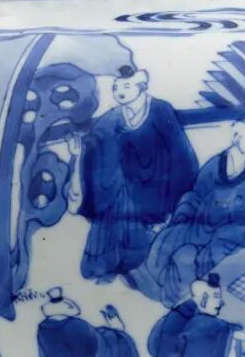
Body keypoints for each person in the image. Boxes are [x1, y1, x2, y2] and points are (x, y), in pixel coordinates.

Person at [72, 65, 198, 283]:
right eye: (116, 87)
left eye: (126, 86)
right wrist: (81, 150)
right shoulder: (112, 117)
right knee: (111, 221)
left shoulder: (160, 110)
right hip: (119, 189)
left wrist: (175, 198)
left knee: (141, 242)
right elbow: (94, 143)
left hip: (153, 188)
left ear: (141, 86)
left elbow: (181, 154)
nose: (119, 92)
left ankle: (136, 273)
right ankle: (106, 270)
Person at [141, 117, 245, 305]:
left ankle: (175, 299)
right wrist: (182, 220)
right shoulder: (215, 164)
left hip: (227, 238)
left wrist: (224, 236)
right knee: (166, 241)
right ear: (236, 138)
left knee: (188, 258)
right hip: (199, 225)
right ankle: (156, 284)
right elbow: (195, 196)